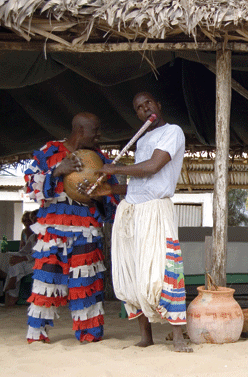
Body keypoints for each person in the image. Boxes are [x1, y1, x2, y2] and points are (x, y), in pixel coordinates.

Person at [95, 92, 191, 352]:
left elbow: (152, 168)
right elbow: (139, 182)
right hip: (132, 211)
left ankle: (178, 336)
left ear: (158, 105)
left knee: (164, 270)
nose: (144, 108)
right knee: (134, 272)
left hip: (156, 211)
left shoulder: (173, 131)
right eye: (138, 107)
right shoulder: (143, 139)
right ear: (137, 114)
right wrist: (109, 191)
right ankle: (146, 335)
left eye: (148, 102)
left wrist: (114, 169)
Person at [24, 113, 120, 343]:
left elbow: (112, 203)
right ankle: (37, 335)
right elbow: (30, 185)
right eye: (94, 130)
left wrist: (97, 196)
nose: (99, 135)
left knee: (86, 284)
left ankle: (89, 335)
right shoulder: (49, 151)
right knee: (46, 282)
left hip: (86, 232)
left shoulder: (101, 159)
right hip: (51, 234)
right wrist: (58, 170)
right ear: (79, 131)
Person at [2, 210, 39, 307]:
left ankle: (12, 294)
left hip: (41, 263)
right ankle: (12, 288)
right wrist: (16, 257)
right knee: (14, 264)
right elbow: (24, 251)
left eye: (34, 220)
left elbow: (38, 254)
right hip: (29, 261)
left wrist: (21, 259)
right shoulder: (32, 237)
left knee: (16, 267)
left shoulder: (45, 235)